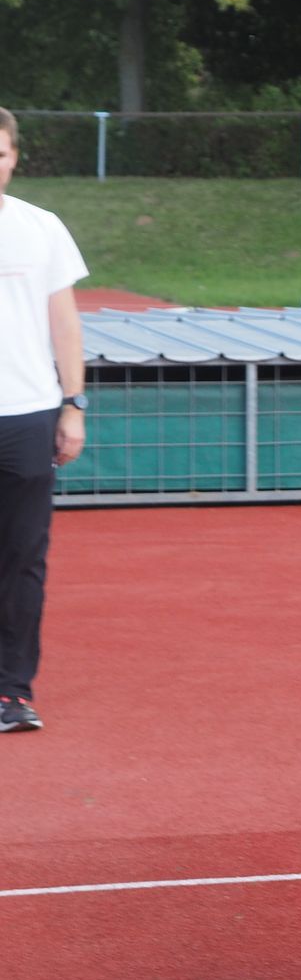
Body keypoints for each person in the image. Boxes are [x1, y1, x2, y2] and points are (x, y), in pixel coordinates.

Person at [0, 108, 89, 734]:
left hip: (28, 415)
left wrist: (73, 404)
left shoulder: (42, 228)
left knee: (22, 560)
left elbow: (65, 323)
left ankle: (12, 691)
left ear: (14, 158)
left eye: (0, 154)